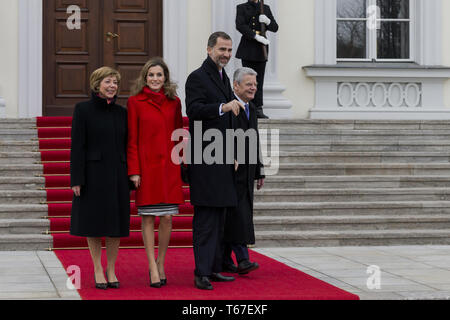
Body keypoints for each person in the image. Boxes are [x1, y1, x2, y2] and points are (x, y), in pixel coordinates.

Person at [185, 31, 245, 290]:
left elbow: (229, 123)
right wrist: (223, 107)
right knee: (206, 220)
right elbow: (194, 111)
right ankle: (201, 272)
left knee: (220, 218)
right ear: (209, 49)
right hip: (205, 159)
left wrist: (232, 152)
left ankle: (214, 267)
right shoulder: (197, 78)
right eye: (222, 49)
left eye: (230, 50)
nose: (227, 55)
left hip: (222, 158)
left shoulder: (223, 78)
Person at [127, 57, 185, 288]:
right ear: (145, 77)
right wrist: (134, 171)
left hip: (169, 167)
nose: (155, 79)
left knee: (168, 218)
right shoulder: (135, 102)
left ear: (165, 78)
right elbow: (132, 139)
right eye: (151, 75)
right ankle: (151, 265)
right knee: (148, 218)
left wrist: (182, 163)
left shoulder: (175, 102)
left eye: (159, 75)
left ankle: (161, 262)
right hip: (147, 168)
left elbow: (179, 133)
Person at [70, 67, 130, 290]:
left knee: (115, 225)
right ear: (97, 84)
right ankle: (97, 268)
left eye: (115, 82)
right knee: (94, 224)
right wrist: (77, 178)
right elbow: (77, 146)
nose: (112, 86)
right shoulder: (82, 110)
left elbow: (128, 145)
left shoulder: (122, 113)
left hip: (118, 176)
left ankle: (111, 268)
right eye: (108, 81)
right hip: (93, 176)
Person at [223, 67, 265, 275]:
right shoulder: (229, 106)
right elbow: (223, 134)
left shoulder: (252, 107)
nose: (253, 88)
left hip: (247, 172)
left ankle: (225, 259)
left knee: (239, 214)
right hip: (231, 169)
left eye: (255, 85)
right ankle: (242, 259)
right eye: (249, 84)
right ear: (236, 85)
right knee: (238, 215)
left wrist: (260, 170)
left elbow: (254, 140)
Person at [236, 0, 279, 119]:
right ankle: (246, 106)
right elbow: (240, 25)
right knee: (245, 79)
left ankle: (258, 108)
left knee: (259, 80)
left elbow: (275, 28)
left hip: (261, 49)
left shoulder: (265, 8)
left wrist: (268, 21)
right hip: (248, 47)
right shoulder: (241, 8)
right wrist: (256, 36)